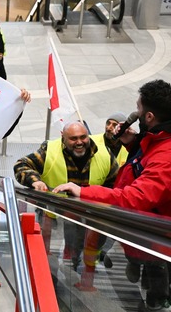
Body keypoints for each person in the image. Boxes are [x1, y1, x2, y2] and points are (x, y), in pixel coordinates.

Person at [54, 79, 171, 312]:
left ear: (149, 117)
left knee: (155, 284)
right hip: (141, 235)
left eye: (138, 109)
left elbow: (137, 197)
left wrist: (84, 191)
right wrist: (135, 143)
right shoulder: (158, 142)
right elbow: (146, 162)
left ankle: (156, 298)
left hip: (155, 238)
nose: (135, 114)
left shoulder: (166, 155)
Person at [14, 121, 119, 270]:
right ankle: (49, 271)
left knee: (83, 249)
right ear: (63, 137)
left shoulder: (104, 153)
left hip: (88, 215)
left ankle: (84, 272)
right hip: (54, 217)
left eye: (83, 137)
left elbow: (116, 183)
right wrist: (35, 181)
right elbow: (22, 165)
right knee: (52, 254)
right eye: (73, 138)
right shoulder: (50, 150)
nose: (79, 142)